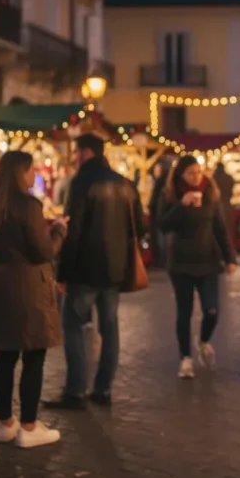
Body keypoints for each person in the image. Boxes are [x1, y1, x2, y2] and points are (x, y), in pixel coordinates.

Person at [47, 134, 144, 410]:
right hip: (115, 271)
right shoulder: (124, 183)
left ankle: (76, 390)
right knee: (109, 327)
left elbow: (73, 231)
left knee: (73, 325)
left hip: (85, 270)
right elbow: (140, 227)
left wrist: (63, 273)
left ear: (86, 152)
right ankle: (103, 389)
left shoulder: (82, 183)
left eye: (77, 152)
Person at [0, 151, 67, 448]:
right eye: (31, 171)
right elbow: (43, 251)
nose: (34, 176)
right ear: (22, 172)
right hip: (27, 286)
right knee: (34, 354)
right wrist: (58, 232)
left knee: (5, 355)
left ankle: (6, 423)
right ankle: (29, 427)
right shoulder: (28, 205)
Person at [157, 155, 237, 379]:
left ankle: (203, 340)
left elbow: (220, 228)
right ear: (181, 175)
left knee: (212, 310)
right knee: (184, 312)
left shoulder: (211, 193)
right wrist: (182, 206)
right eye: (191, 173)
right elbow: (162, 225)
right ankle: (186, 359)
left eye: (199, 171)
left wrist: (230, 258)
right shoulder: (171, 195)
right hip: (181, 263)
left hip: (208, 262)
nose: (196, 176)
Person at [148, 161, 169, 268]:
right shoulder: (169, 185)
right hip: (163, 216)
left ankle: (161, 260)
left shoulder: (160, 184)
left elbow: (154, 202)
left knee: (161, 240)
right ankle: (163, 260)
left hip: (159, 216)